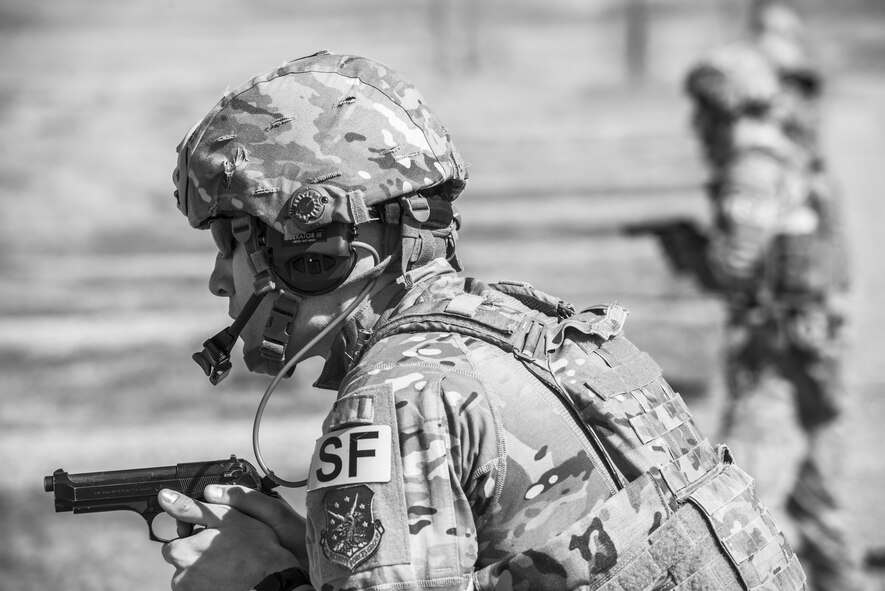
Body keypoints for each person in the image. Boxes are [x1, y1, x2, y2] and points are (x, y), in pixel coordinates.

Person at [160, 51, 806, 591]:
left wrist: (261, 579)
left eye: (230, 244)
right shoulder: (536, 332)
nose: (219, 278)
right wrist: (316, 556)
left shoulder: (395, 397)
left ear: (310, 254)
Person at [684, 2, 864, 589]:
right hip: (815, 340)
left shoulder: (751, 165)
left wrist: (691, 253)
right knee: (817, 494)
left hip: (778, 353)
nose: (697, 124)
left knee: (739, 494)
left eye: (703, 109)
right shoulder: (789, 150)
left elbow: (735, 266)